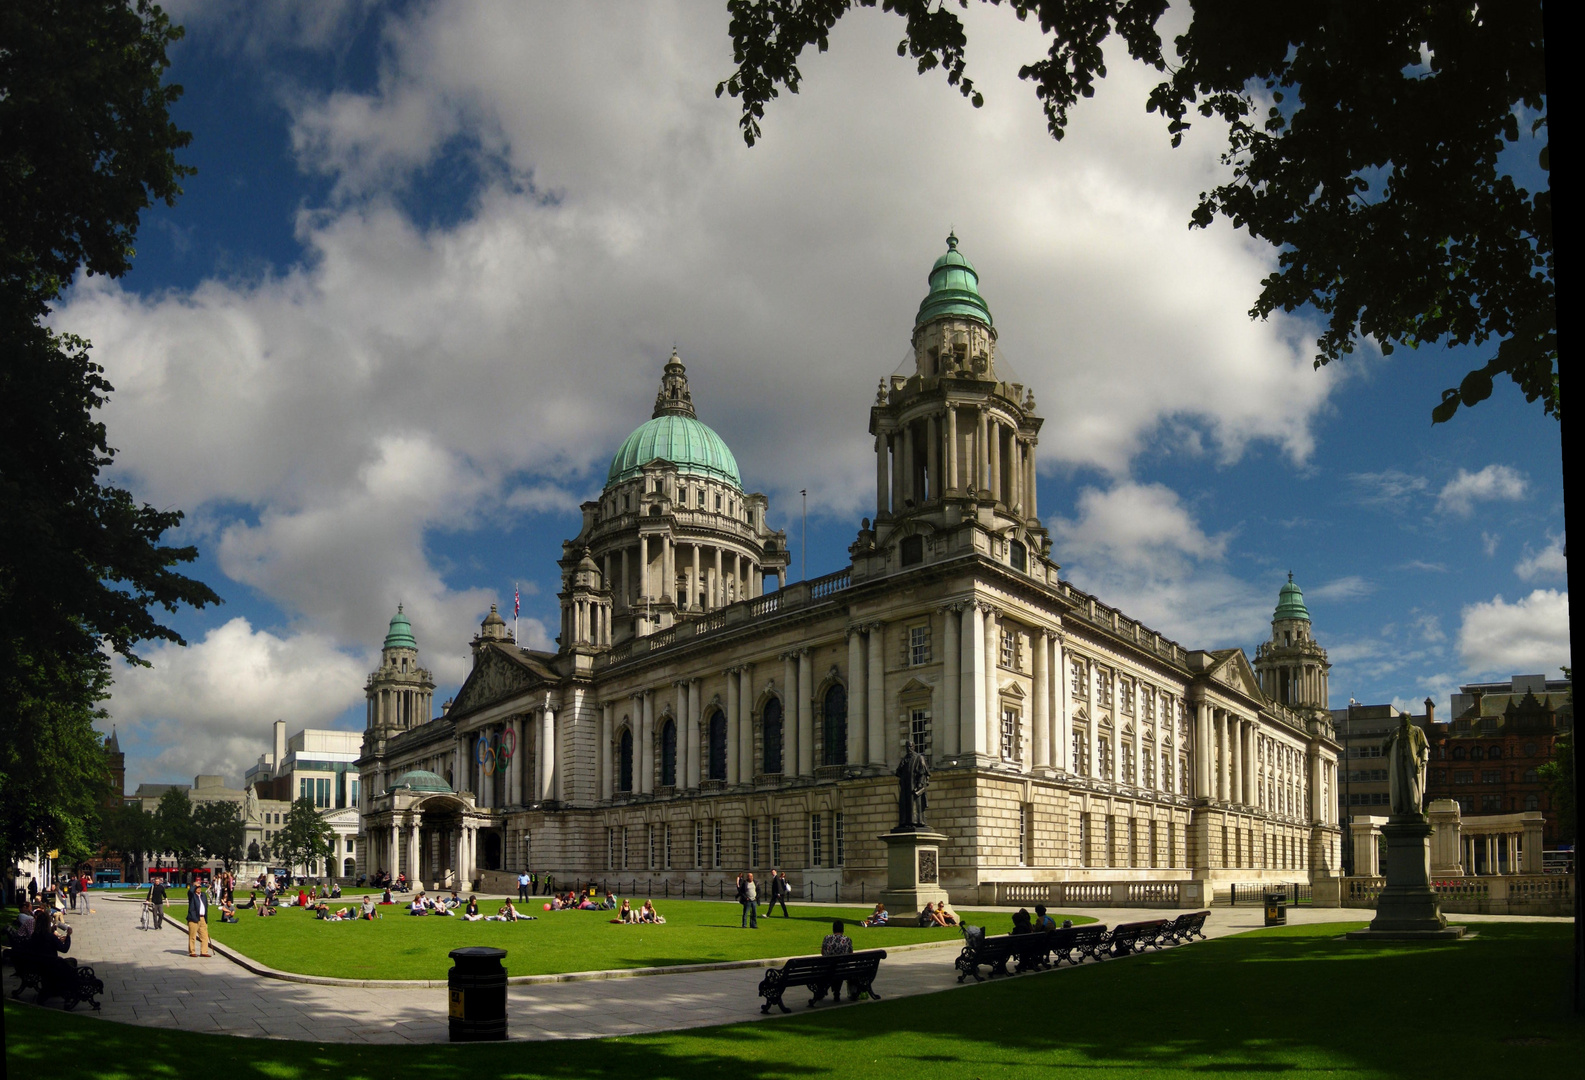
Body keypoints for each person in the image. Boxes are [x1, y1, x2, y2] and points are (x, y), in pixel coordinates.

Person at [187, 881, 214, 957]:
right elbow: (190, 891)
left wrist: (206, 919)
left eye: (199, 887)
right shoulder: (192, 895)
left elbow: (206, 907)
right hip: (194, 918)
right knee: (192, 936)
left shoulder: (203, 895)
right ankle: (192, 952)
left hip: (202, 918)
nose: (199, 888)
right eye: (197, 887)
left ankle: (204, 951)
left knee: (204, 935)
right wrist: (194, 886)